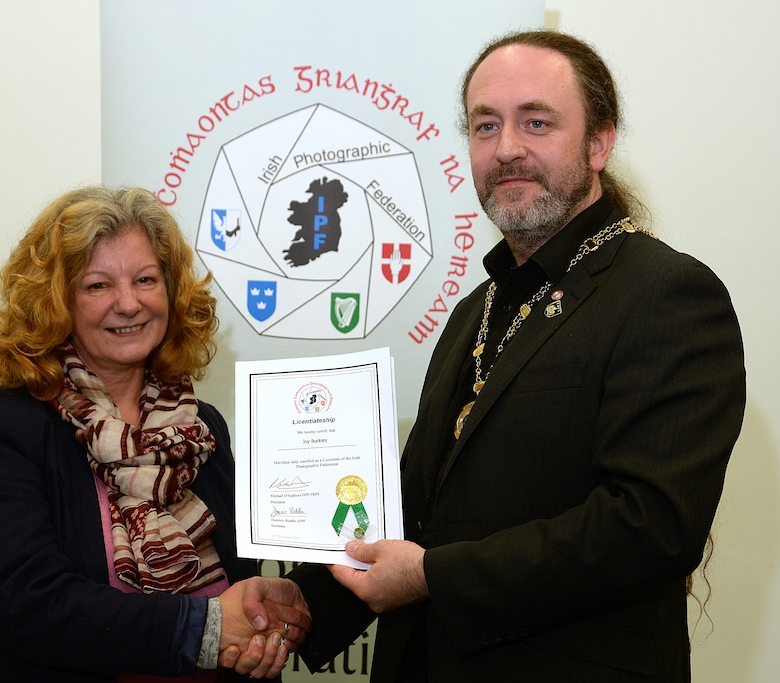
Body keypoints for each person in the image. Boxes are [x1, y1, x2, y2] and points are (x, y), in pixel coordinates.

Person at [252, 30, 746, 681]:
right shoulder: (474, 312)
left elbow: (650, 527)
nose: (507, 148)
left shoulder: (667, 292)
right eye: (486, 125)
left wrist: (432, 575)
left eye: (536, 121)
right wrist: (304, 602)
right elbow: (417, 508)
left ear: (599, 143)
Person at [0, 186, 309, 682]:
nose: (128, 304)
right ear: (54, 303)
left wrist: (266, 609)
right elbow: (24, 600)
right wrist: (205, 627)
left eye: (146, 280)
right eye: (98, 285)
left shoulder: (200, 427)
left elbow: (236, 592)